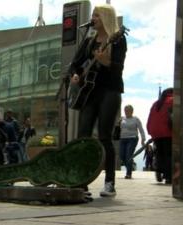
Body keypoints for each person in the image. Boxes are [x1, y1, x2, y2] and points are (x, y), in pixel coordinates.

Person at [70, 4, 127, 197]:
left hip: (110, 91)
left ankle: (109, 182)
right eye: (93, 15)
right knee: (83, 136)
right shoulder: (88, 42)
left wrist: (106, 62)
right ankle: (81, 181)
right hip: (90, 93)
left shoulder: (117, 39)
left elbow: (119, 67)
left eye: (96, 15)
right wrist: (76, 76)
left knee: (104, 136)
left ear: (105, 18)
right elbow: (75, 65)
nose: (92, 18)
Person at [146, 88, 173, 184]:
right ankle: (169, 176)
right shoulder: (173, 100)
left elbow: (150, 118)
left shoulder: (156, 103)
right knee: (169, 154)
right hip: (168, 132)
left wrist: (150, 131)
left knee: (159, 153)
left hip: (156, 132)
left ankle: (159, 171)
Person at [118, 105, 146, 179]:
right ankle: (131, 165)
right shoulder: (122, 119)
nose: (126, 112)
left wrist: (143, 139)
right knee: (121, 155)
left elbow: (141, 129)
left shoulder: (136, 119)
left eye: (128, 110)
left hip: (132, 139)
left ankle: (128, 173)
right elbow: (118, 128)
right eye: (125, 110)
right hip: (122, 139)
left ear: (132, 111)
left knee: (128, 155)